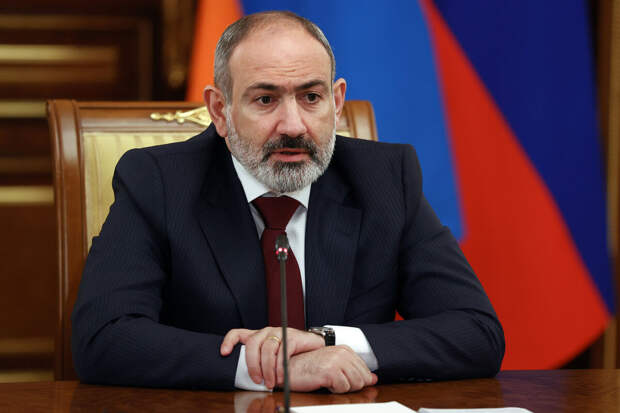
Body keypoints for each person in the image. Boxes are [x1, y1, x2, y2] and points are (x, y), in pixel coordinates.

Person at [72, 11, 504, 393]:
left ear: (337, 102)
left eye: (311, 97)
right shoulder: (158, 181)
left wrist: (328, 341)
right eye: (266, 100)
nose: (293, 125)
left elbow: (476, 332)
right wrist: (269, 368)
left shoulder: (386, 179)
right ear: (220, 110)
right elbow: (104, 337)